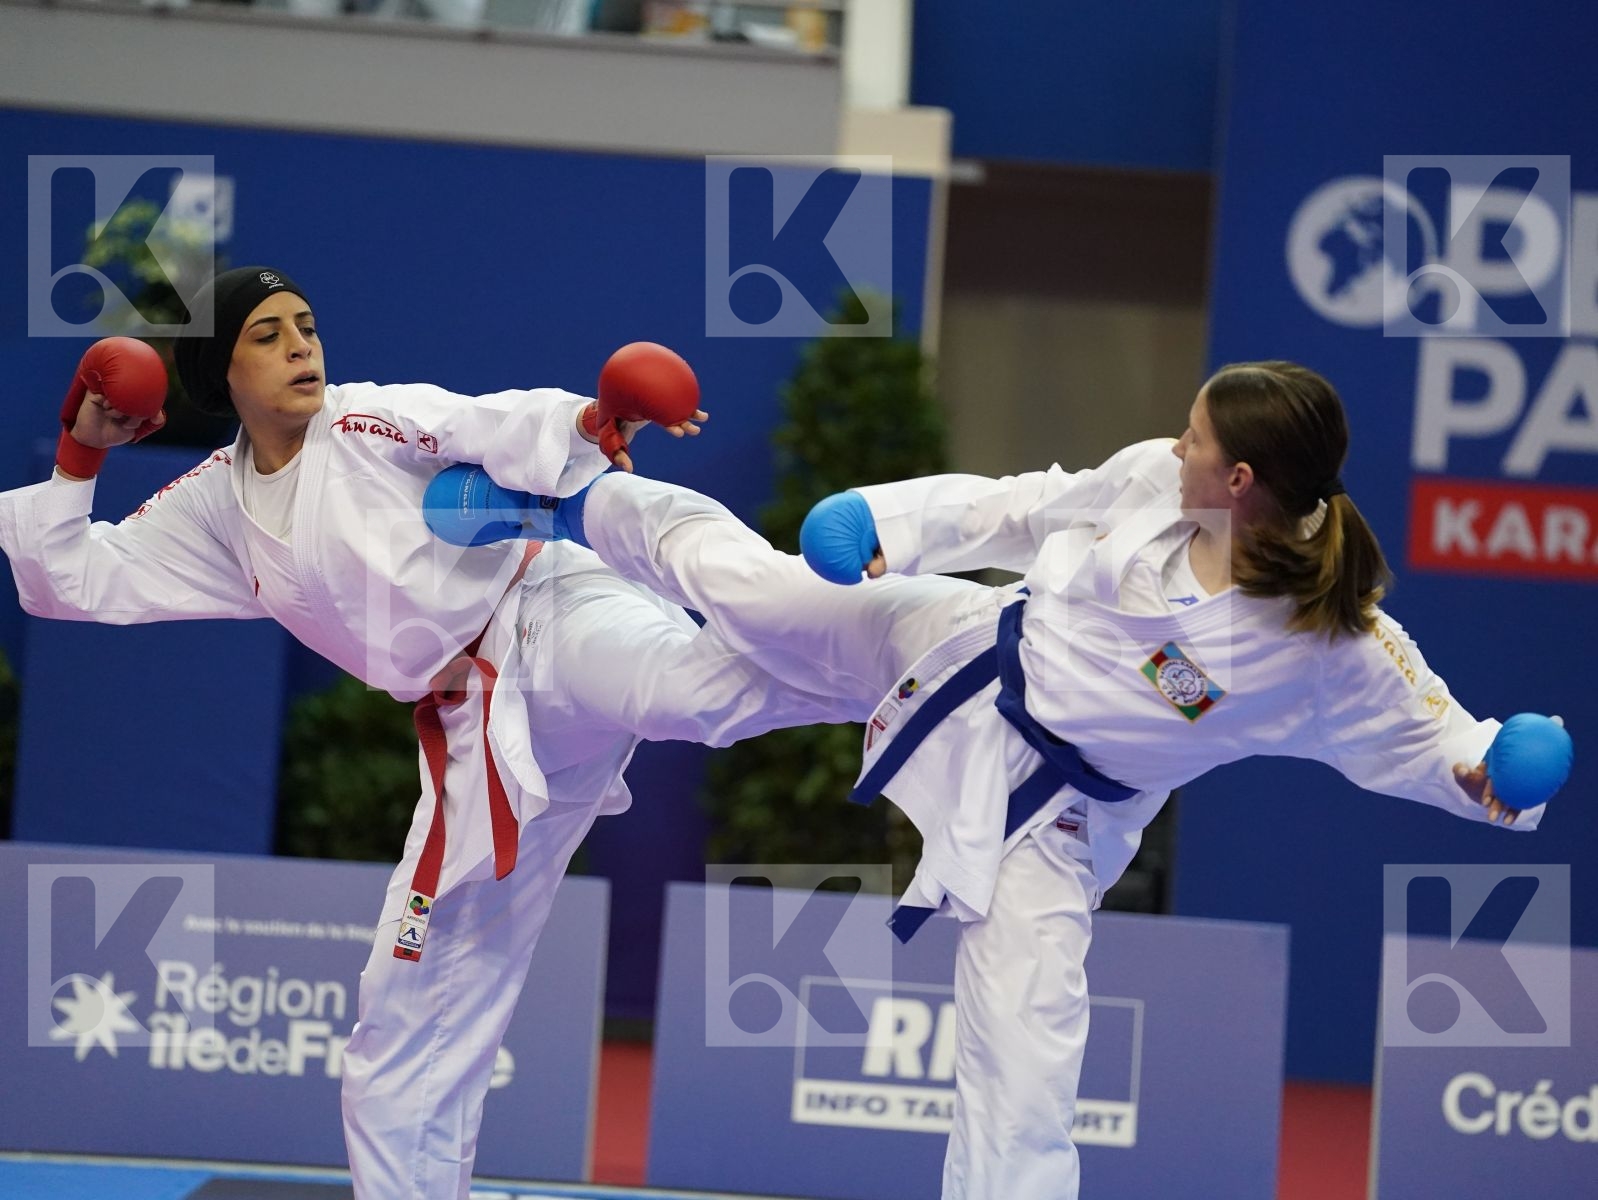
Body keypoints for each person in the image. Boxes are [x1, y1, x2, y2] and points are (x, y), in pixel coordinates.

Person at [439, 359, 1560, 1200]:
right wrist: (886, 522)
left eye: (1190, 437)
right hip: (964, 648)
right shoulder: (1147, 485)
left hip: (1059, 818)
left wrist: (1491, 771)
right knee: (754, 605)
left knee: (1023, 1058)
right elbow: (1015, 507)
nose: (1170, 446)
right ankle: (574, 502)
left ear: (1241, 479)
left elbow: (1435, 736)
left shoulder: (1328, 642)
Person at [0, 266, 848, 1199]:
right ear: (221, 373)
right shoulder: (216, 507)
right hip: (473, 733)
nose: (301, 346)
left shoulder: (364, 419)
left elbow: (481, 424)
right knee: (401, 1024)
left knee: (693, 691)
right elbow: (67, 583)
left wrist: (590, 422)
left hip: (546, 616)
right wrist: (82, 453)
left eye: (308, 325)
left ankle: (923, 652)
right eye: (268, 333)